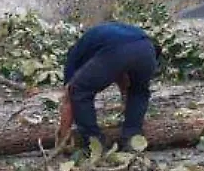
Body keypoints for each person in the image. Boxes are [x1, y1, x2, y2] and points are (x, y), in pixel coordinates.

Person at [59, 21, 159, 149]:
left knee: (79, 91)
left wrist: (62, 136)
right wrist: (126, 102)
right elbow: (120, 72)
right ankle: (132, 137)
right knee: (138, 92)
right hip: (147, 49)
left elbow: (69, 98)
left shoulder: (73, 58)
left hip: (117, 50)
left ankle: (94, 142)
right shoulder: (101, 38)